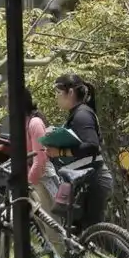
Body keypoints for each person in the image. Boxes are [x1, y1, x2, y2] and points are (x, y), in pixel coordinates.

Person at [48, 73, 112, 229]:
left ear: (70, 92)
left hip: (93, 180)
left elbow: (91, 145)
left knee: (95, 232)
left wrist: (61, 152)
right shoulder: (77, 114)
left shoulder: (82, 114)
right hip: (84, 179)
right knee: (78, 233)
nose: (56, 97)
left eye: (58, 92)